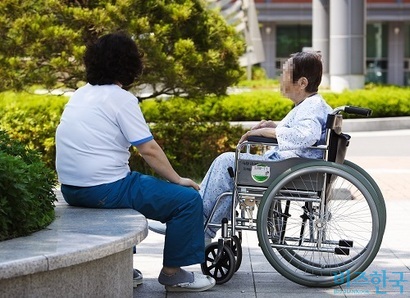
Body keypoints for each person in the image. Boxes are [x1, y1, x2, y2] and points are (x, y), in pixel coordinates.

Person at [55, 32, 215, 292]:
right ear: (128, 65)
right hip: (105, 189)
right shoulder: (121, 99)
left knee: (134, 186)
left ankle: (124, 270)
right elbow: (148, 149)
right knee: (187, 201)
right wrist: (178, 179)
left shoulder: (80, 94)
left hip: (71, 189)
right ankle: (174, 275)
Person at [199, 51, 333, 241]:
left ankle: (200, 225)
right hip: (289, 167)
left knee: (227, 162)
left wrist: (265, 133)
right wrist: (275, 127)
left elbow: (306, 136)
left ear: (302, 83)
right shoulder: (310, 104)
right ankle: (202, 225)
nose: (281, 79)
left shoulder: (311, 106)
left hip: (286, 170)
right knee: (228, 166)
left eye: (285, 74)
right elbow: (302, 133)